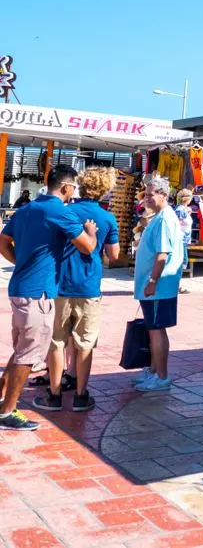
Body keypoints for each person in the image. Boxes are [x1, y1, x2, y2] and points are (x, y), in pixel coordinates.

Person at [0, 165, 97, 431]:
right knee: (29, 356)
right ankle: (7, 412)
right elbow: (87, 247)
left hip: (20, 288)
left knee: (22, 351)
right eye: (73, 188)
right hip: (38, 294)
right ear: (66, 187)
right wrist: (91, 231)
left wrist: (19, 261)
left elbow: (2, 240)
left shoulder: (27, 209)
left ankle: (2, 401)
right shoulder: (59, 211)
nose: (73, 193)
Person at [33, 167, 119, 413]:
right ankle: (81, 395)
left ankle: (55, 394)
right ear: (105, 190)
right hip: (89, 287)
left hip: (59, 284)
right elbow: (113, 256)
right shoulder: (107, 218)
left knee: (57, 341)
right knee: (85, 343)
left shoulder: (65, 212)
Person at [132, 175, 183, 392]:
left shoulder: (164, 219)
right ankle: (154, 371)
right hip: (156, 287)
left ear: (163, 195)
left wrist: (152, 281)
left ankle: (161, 376)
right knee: (155, 329)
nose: (146, 198)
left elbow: (162, 255)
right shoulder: (162, 217)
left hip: (158, 287)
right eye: (145, 194)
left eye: (151, 194)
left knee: (156, 331)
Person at [175, 189, 193, 294]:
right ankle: (176, 285)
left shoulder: (182, 209)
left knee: (182, 262)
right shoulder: (180, 210)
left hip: (183, 240)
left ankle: (177, 284)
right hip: (180, 241)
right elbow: (177, 225)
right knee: (181, 262)